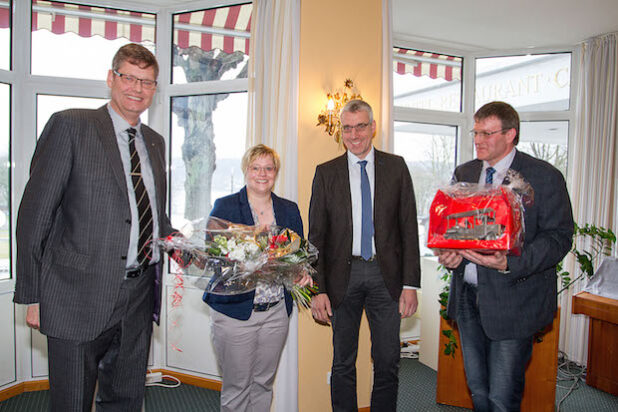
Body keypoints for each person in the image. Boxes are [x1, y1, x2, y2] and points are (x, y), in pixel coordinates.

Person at [14, 43, 176, 411]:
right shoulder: (71, 125)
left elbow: (154, 218)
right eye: (129, 78)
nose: (137, 88)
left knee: (125, 398)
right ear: (110, 78)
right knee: (71, 402)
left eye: (147, 82)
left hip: (137, 297)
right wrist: (33, 294)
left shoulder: (156, 143)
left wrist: (197, 247)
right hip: (75, 297)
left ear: (155, 89)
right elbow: (34, 215)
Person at [436, 101, 574, 412]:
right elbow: (456, 228)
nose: (478, 139)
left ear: (510, 134)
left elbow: (559, 238)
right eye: (476, 132)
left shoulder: (544, 176)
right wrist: (449, 253)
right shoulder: (465, 172)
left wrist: (510, 262)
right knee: (478, 391)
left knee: (502, 398)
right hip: (468, 299)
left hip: (515, 303)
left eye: (487, 133)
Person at [309, 99, 421, 411]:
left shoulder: (396, 167)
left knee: (387, 360)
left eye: (360, 126)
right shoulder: (326, 173)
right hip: (341, 278)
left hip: (387, 279)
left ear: (373, 127)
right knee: (342, 361)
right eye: (347, 128)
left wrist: (411, 284)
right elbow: (315, 237)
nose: (354, 134)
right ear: (340, 132)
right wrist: (317, 290)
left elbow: (408, 228)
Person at [203, 144, 309, 412]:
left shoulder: (288, 209)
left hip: (275, 313)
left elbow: (300, 253)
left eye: (268, 168)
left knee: (263, 383)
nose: (262, 174)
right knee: (237, 387)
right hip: (234, 313)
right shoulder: (225, 206)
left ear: (276, 173)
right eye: (256, 168)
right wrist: (247, 263)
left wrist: (300, 272)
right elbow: (211, 257)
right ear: (245, 170)